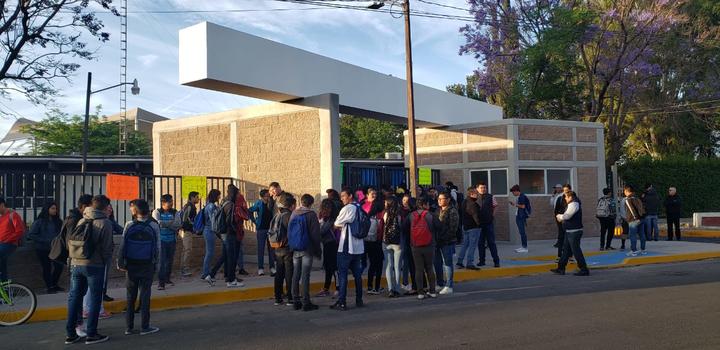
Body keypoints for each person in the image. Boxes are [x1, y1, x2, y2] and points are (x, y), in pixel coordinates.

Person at [65, 195, 114, 345]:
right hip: (94, 265)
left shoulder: (82, 219)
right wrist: (106, 263)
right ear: (105, 208)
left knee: (74, 298)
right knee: (94, 298)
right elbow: (107, 249)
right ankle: (92, 334)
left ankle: (70, 334)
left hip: (76, 263)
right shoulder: (104, 223)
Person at [117, 199, 160, 336]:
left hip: (131, 265)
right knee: (145, 295)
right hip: (147, 265)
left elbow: (122, 246)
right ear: (148, 211)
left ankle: (129, 327)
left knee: (130, 297)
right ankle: (145, 326)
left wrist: (120, 262)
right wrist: (156, 265)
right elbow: (158, 247)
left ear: (135, 211)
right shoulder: (154, 225)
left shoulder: (129, 225)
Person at [331, 189, 365, 311]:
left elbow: (336, 223)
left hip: (346, 246)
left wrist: (340, 226)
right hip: (359, 247)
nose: (342, 198)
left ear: (350, 196)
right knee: (357, 275)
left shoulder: (348, 208)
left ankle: (342, 301)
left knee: (343, 275)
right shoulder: (360, 207)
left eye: (344, 196)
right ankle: (359, 299)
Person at [404, 196, 442, 300]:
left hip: (415, 246)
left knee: (418, 269)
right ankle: (432, 291)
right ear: (425, 205)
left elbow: (404, 228)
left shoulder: (411, 215)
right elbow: (439, 227)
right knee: (429, 268)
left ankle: (420, 293)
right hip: (429, 244)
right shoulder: (431, 215)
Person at [289, 194, 322, 311]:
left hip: (295, 248)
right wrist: (318, 250)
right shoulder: (311, 215)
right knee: (305, 275)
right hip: (307, 249)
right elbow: (315, 235)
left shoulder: (294, 213)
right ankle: (306, 302)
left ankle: (295, 301)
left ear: (302, 202)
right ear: (311, 204)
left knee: (295, 275)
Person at [210, 185, 244, 288]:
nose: (239, 195)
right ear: (234, 193)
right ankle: (231, 280)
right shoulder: (230, 205)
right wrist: (235, 230)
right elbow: (229, 221)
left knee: (225, 256)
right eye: (237, 193)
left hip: (224, 233)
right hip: (229, 234)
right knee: (231, 257)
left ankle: (211, 274)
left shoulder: (224, 202)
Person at [551, 191, 590, 276]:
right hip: (570, 231)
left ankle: (584, 269)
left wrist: (559, 217)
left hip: (574, 231)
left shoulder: (574, 204)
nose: (565, 198)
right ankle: (561, 268)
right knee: (566, 251)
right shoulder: (572, 204)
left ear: (570, 197)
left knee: (576, 251)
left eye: (566, 197)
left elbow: (567, 216)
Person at [28, 201, 64, 293]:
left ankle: (54, 284)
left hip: (55, 248)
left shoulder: (58, 221)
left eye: (55, 208)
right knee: (47, 268)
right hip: (42, 249)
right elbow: (31, 234)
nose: (55, 210)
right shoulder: (39, 222)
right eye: (52, 208)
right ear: (47, 209)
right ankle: (49, 287)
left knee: (59, 266)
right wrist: (45, 240)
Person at [270, 192, 295, 305]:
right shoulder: (289, 216)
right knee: (289, 273)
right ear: (291, 205)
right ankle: (290, 298)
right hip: (287, 248)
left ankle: (278, 298)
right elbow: (292, 233)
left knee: (279, 273)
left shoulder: (277, 215)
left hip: (277, 247)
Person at [152, 194, 181, 290]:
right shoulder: (157, 212)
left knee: (170, 261)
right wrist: (171, 223)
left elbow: (178, 224)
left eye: (172, 201)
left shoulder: (175, 212)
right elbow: (158, 223)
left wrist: (165, 224)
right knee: (162, 261)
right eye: (170, 201)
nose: (172, 203)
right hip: (161, 240)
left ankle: (167, 279)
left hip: (172, 240)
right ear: (163, 203)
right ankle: (161, 283)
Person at [436, 191, 459, 295]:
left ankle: (449, 285)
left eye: (442, 199)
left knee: (447, 263)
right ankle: (440, 283)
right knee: (437, 263)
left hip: (447, 242)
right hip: (438, 241)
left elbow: (453, 228)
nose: (439, 201)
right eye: (438, 199)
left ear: (448, 200)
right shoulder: (439, 210)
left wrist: (443, 238)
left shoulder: (452, 211)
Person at [362, 188, 384, 295]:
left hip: (368, 239)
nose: (374, 195)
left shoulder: (362, 206)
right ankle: (375, 287)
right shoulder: (376, 206)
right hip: (375, 239)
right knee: (377, 263)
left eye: (375, 193)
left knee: (372, 264)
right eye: (372, 194)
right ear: (367, 195)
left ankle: (371, 286)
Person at [317, 198, 340, 298]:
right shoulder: (326, 218)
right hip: (327, 244)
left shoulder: (331, 219)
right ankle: (326, 288)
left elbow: (322, 231)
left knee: (334, 267)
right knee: (328, 267)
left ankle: (338, 288)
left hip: (332, 244)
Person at [249, 189, 275, 276]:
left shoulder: (271, 203)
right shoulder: (259, 203)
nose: (268, 197)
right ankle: (260, 268)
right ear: (263, 197)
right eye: (267, 196)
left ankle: (272, 267)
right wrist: (254, 221)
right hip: (261, 229)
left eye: (268, 196)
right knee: (261, 249)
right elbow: (250, 211)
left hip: (270, 229)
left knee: (271, 249)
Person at [0, 197, 25, 283]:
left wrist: (7, 239)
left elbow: (20, 231)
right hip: (1, 244)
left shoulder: (13, 215)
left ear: (2, 205)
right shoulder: (1, 217)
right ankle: (5, 293)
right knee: (2, 269)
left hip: (9, 244)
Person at [382, 196, 403, 298]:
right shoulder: (399, 215)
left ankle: (390, 289)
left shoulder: (385, 214)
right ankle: (397, 289)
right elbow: (400, 227)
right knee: (397, 267)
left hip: (386, 242)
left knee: (388, 266)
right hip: (397, 242)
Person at [456, 187, 480, 270]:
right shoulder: (472, 204)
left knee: (465, 245)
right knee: (472, 246)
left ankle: (460, 261)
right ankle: (470, 263)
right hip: (473, 227)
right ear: (471, 194)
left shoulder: (464, 202)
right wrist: (479, 224)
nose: (477, 194)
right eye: (476, 193)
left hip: (465, 226)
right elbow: (475, 216)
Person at [200, 189, 221, 284]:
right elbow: (213, 220)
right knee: (209, 253)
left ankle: (206, 272)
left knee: (210, 252)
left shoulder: (208, 204)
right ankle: (205, 273)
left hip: (208, 230)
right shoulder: (211, 206)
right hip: (210, 231)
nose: (219, 197)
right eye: (218, 195)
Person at [477, 182, 501, 267]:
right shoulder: (475, 197)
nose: (483, 189)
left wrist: (492, 216)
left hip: (488, 223)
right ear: (477, 189)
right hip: (479, 224)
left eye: (484, 187)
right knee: (480, 243)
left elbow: (496, 206)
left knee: (491, 243)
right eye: (481, 187)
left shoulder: (491, 197)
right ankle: (482, 261)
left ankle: (496, 261)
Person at [399, 194, 417, 294]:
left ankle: (416, 286)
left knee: (412, 264)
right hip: (412, 241)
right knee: (409, 263)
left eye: (407, 201)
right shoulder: (402, 211)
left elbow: (404, 227)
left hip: (411, 241)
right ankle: (408, 283)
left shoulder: (410, 214)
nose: (405, 202)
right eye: (404, 200)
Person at [179, 191, 200, 277]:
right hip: (187, 231)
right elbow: (184, 219)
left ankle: (183, 268)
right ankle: (185, 269)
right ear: (192, 197)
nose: (198, 199)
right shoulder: (189, 206)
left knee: (186, 250)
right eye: (197, 197)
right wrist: (191, 226)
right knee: (187, 250)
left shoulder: (191, 206)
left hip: (188, 231)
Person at [623, 184, 647, 257]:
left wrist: (636, 218)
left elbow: (631, 209)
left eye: (624, 191)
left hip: (634, 220)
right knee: (642, 234)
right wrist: (641, 218)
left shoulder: (628, 199)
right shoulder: (637, 198)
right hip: (642, 218)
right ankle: (643, 250)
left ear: (627, 191)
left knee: (632, 236)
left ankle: (634, 251)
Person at [509, 184, 530, 253]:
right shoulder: (520, 196)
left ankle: (525, 248)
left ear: (516, 191)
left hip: (521, 216)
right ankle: (523, 246)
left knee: (522, 232)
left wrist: (514, 204)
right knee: (521, 232)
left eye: (513, 192)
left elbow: (523, 206)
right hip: (519, 216)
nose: (513, 193)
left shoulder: (522, 197)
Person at [233, 189, 250, 276]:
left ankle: (231, 269)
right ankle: (239, 268)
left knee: (231, 251)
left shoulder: (226, 202)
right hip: (237, 230)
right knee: (239, 250)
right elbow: (246, 216)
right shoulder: (238, 205)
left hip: (231, 231)